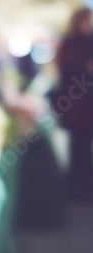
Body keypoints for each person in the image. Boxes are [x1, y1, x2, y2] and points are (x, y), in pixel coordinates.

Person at [54, 6, 93, 201]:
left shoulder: (88, 41)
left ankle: (84, 185)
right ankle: (79, 188)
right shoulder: (70, 43)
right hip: (77, 105)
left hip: (87, 103)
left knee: (84, 146)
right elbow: (67, 69)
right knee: (78, 146)